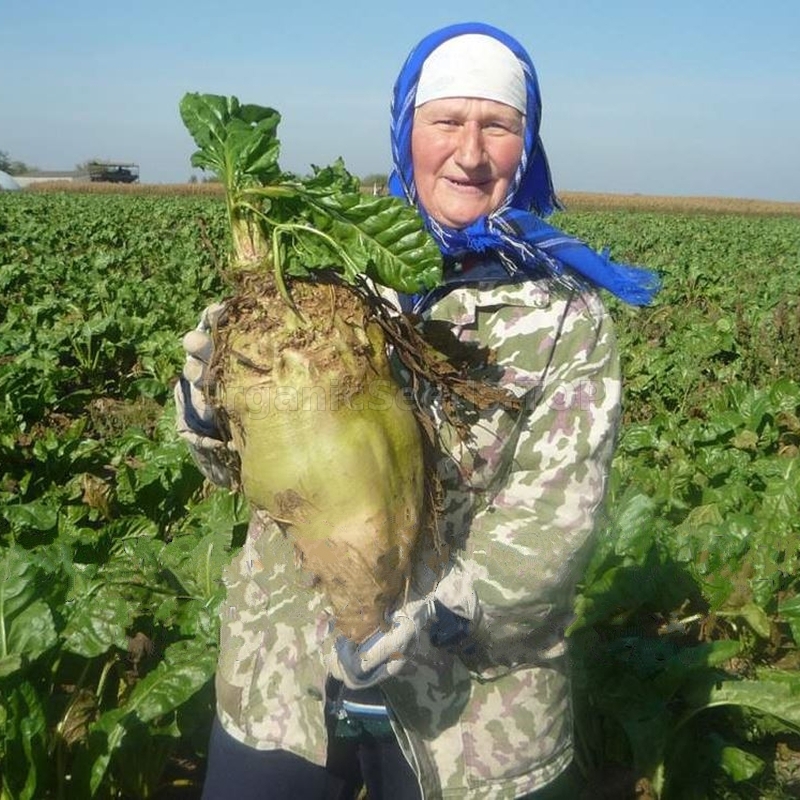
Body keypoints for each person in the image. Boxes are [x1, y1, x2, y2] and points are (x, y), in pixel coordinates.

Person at [175, 21, 658, 800]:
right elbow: (250, 478)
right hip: (284, 680)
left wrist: (444, 614)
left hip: (471, 718)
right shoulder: (323, 277)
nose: (470, 152)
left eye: (497, 126)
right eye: (446, 120)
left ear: (527, 145)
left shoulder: (566, 319)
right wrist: (210, 413)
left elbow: (554, 527)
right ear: (407, 130)